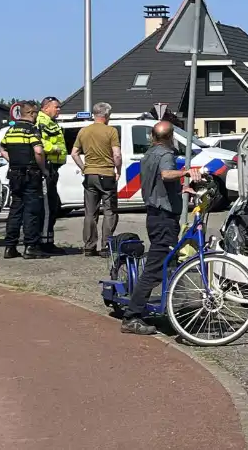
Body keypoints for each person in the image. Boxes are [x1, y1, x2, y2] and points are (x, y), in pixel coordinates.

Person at [121, 120, 199, 335]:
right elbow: (165, 174)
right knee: (155, 268)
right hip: (164, 219)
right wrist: (185, 173)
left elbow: (159, 182)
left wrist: (181, 189)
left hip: (154, 216)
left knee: (167, 263)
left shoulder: (148, 154)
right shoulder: (166, 154)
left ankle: (171, 306)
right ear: (170, 136)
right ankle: (132, 316)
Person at [0, 101, 50, 260]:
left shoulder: (11, 130)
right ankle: (31, 247)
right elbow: (38, 151)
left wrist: (13, 161)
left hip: (14, 174)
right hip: (30, 174)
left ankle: (10, 247)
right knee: (32, 210)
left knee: (15, 210)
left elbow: (2, 149)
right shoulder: (31, 130)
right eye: (36, 114)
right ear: (31, 113)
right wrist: (43, 169)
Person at [70, 102, 122, 257]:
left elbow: (74, 153)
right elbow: (117, 155)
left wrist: (84, 168)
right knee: (109, 211)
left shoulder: (84, 131)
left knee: (90, 212)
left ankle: (89, 246)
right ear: (106, 115)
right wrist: (117, 170)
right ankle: (106, 246)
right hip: (106, 174)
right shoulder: (111, 131)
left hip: (89, 175)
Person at [36, 96, 67, 254]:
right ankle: (45, 243)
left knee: (54, 206)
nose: (59, 110)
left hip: (53, 168)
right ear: (46, 107)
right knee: (48, 207)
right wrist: (54, 149)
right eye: (56, 107)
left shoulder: (51, 122)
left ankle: (47, 240)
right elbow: (39, 142)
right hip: (47, 166)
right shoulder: (41, 121)